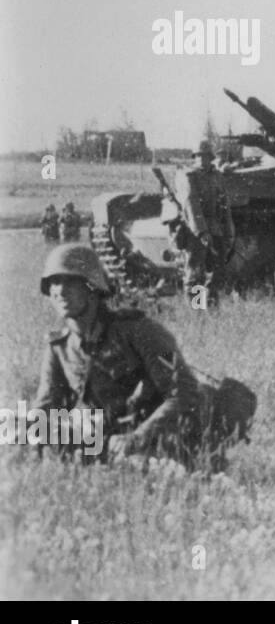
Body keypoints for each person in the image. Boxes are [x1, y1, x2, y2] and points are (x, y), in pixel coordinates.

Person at [30, 243, 208, 468]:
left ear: (92, 288)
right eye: (54, 282)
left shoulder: (140, 331)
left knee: (141, 469)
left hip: (153, 438)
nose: (60, 290)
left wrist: (138, 437)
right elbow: (46, 406)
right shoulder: (60, 347)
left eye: (70, 282)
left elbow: (184, 392)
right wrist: (33, 439)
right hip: (103, 440)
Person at [172, 142, 235, 310]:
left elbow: (224, 204)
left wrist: (229, 231)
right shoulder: (189, 176)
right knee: (196, 272)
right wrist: (201, 232)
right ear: (195, 158)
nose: (202, 159)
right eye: (199, 156)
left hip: (216, 228)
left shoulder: (217, 176)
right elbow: (191, 204)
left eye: (205, 156)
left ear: (211, 158)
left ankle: (211, 306)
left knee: (217, 271)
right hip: (195, 230)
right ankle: (197, 309)